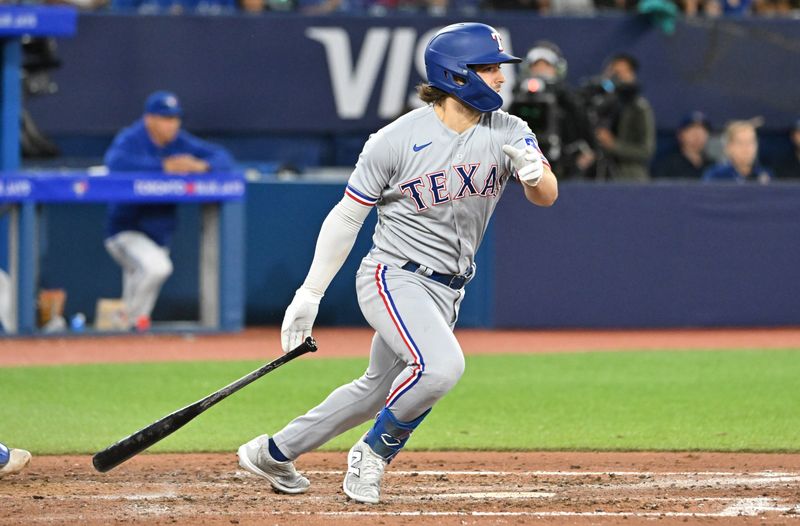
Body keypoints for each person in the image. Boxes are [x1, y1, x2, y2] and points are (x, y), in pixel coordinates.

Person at [237, 22, 557, 504]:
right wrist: (310, 293)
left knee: (374, 391)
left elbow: (546, 196)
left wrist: (535, 176)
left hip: (448, 288)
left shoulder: (510, 129)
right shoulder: (395, 139)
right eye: (487, 68)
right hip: (393, 276)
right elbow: (348, 215)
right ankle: (372, 455)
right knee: (440, 367)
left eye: (498, 68)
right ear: (455, 74)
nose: (499, 77)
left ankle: (273, 453)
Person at [104, 91, 235, 331]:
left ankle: (128, 333)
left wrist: (201, 165)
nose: (172, 124)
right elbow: (114, 163)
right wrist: (163, 166)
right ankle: (125, 319)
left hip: (159, 234)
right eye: (165, 118)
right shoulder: (132, 138)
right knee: (157, 268)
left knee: (144, 278)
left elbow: (224, 158)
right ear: (149, 119)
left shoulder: (179, 141)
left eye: (175, 118)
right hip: (125, 231)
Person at [509, 40, 596, 179]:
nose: (541, 71)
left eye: (546, 66)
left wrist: (587, 155)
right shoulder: (517, 97)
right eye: (536, 66)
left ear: (557, 69)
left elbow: (585, 129)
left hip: (562, 167)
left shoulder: (569, 101)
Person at [592, 52, 656, 181]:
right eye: (615, 73)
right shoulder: (595, 104)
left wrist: (613, 145)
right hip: (596, 175)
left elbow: (646, 150)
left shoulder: (639, 108)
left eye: (624, 73)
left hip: (629, 177)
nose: (619, 78)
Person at [702, 120, 772, 183]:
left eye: (750, 142)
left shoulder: (765, 175)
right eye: (740, 143)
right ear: (728, 147)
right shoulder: (716, 176)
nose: (746, 148)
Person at [652, 110, 715, 180]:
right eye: (692, 130)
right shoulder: (667, 165)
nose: (697, 135)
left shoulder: (713, 166)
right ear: (680, 134)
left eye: (702, 131)